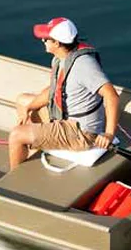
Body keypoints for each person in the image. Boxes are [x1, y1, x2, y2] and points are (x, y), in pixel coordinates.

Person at [8, 17, 119, 170]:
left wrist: (109, 134)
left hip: (81, 132)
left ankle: (15, 178)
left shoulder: (83, 65)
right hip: (64, 116)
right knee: (23, 101)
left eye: (46, 39)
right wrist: (29, 107)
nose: (43, 41)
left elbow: (111, 95)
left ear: (57, 43)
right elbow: (55, 89)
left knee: (16, 135)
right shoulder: (61, 59)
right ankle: (34, 146)